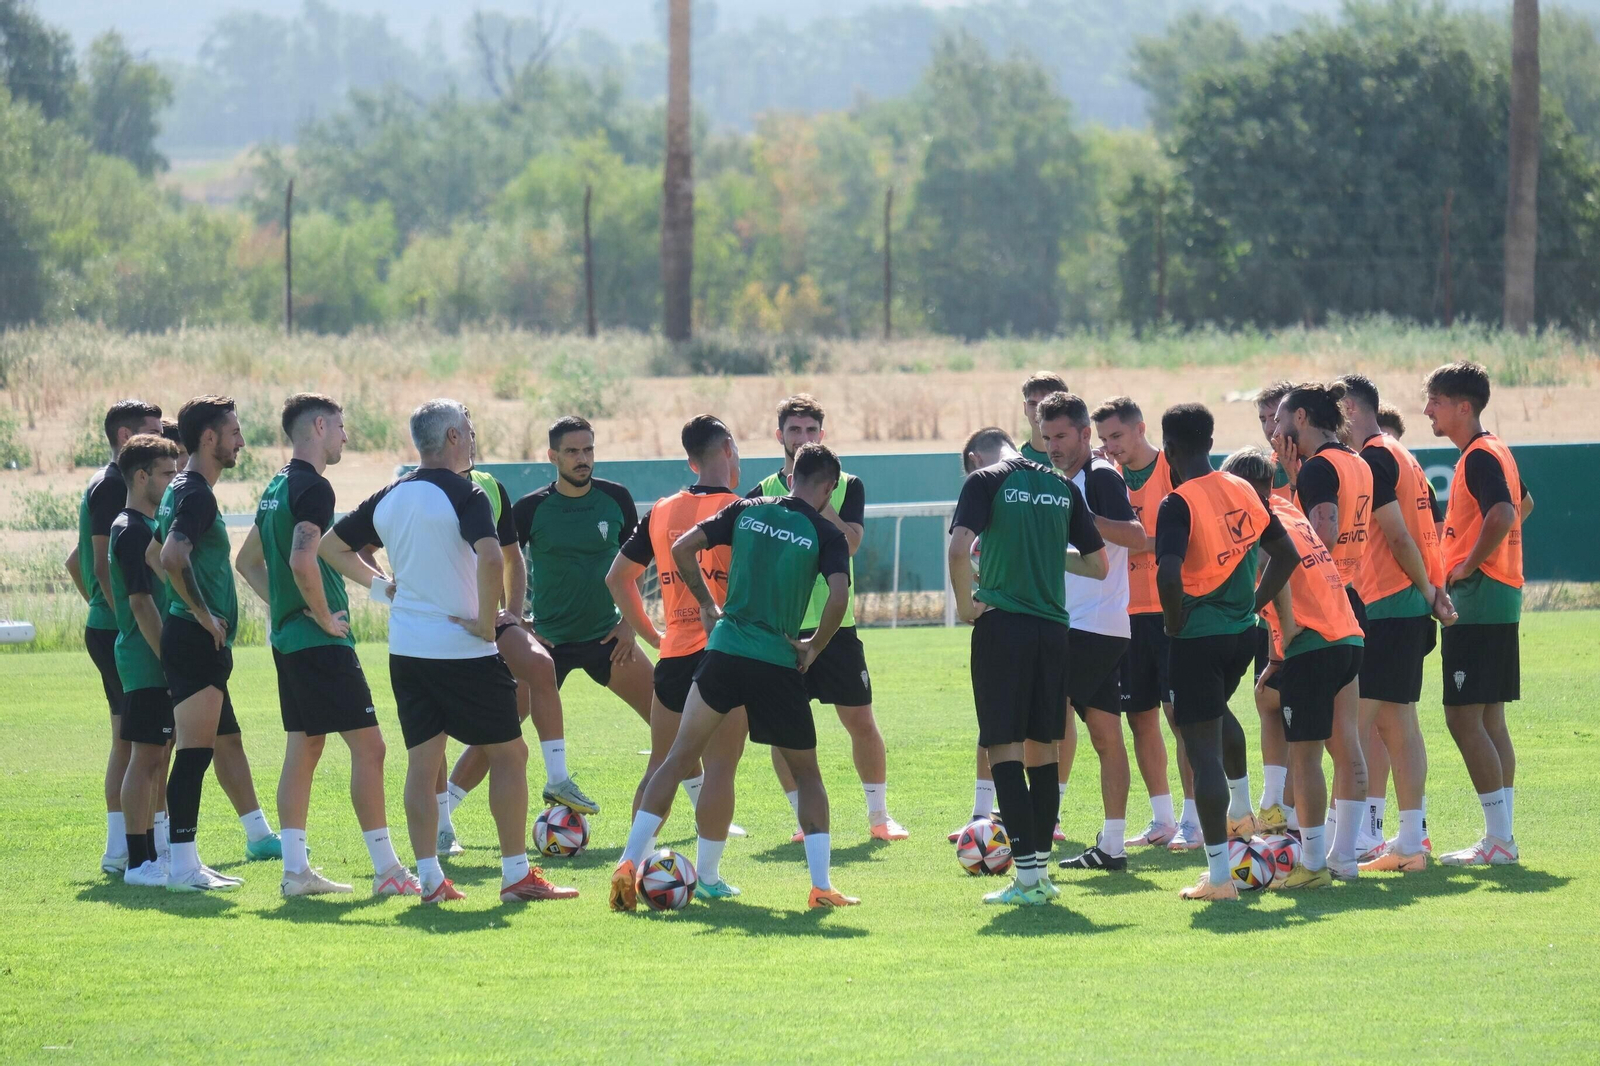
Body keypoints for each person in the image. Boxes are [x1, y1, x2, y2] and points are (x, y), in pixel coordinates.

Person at [321, 399, 577, 904]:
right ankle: (516, 876)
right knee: (511, 754)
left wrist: (381, 589)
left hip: (407, 652)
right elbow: (488, 557)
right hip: (462, 652)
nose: (474, 436)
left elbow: (331, 546)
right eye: (470, 429)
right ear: (454, 438)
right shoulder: (467, 491)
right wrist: (487, 623)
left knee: (423, 763)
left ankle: (432, 882)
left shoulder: (390, 494)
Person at [610, 442, 859, 911]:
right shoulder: (826, 533)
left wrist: (708, 604)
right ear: (828, 487)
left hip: (723, 652)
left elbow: (684, 548)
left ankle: (627, 861)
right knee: (807, 775)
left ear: (791, 477)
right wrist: (814, 647)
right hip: (777, 661)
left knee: (678, 757)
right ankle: (821, 887)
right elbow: (840, 596)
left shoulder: (747, 508)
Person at [234, 394, 416, 897]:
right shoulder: (314, 486)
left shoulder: (275, 486)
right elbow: (301, 560)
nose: (345, 436)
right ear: (318, 426)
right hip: (320, 640)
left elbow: (247, 562)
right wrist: (318, 615)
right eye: (340, 426)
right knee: (371, 747)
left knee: (305, 748)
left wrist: (289, 610)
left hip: (291, 639)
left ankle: (296, 873)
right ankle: (387, 871)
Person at [947, 427, 1108, 905]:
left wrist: (963, 605)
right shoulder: (1060, 485)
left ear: (978, 458)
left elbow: (958, 550)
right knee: (1044, 750)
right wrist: (1040, 554)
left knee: (1003, 749)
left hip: (1003, 628)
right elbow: (1099, 565)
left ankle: (1027, 879)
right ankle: (1040, 876)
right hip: (1054, 633)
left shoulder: (985, 482)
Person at [1153, 404, 1299, 901]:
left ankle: (1219, 878)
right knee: (1215, 715)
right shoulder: (1242, 488)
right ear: (1211, 443)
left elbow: (1169, 575)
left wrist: (1173, 624)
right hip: (1241, 635)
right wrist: (1252, 604)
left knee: (1201, 752)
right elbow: (1286, 555)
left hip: (1198, 638)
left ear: (1169, 450)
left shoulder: (1178, 502)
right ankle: (1240, 812)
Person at [749, 395, 906, 841]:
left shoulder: (847, 485)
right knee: (783, 730)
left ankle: (879, 817)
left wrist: (817, 495)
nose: (802, 439)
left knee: (860, 721)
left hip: (837, 627)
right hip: (781, 629)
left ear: (823, 434)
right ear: (779, 435)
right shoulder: (760, 493)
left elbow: (852, 543)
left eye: (810, 431)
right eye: (794, 431)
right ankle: (803, 819)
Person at [606, 415, 750, 898]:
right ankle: (707, 879)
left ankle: (633, 862)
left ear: (690, 459)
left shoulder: (662, 510)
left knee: (660, 768)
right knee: (720, 771)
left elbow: (617, 578)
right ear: (728, 448)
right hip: (724, 654)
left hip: (673, 657)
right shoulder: (741, 509)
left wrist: (653, 635)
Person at [440, 450, 595, 859]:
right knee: (445, 736)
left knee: (539, 670)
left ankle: (558, 779)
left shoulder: (490, 486)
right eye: (463, 430)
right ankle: (441, 825)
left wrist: (515, 612)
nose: (469, 439)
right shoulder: (422, 487)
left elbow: (510, 556)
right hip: (442, 625)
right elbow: (352, 544)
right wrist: (384, 587)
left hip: (492, 619)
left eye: (472, 429)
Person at [1227, 448, 1366, 885]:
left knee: (1306, 757)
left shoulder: (1255, 520)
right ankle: (1343, 857)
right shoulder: (1286, 507)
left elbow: (1280, 581)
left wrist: (1282, 649)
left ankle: (1313, 865)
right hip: (1349, 635)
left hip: (1311, 644)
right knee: (1346, 747)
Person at [157, 396, 279, 891]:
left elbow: (157, 551)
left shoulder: (183, 488)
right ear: (208, 438)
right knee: (193, 753)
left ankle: (190, 860)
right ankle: (182, 866)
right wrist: (202, 614)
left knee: (216, 743)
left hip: (191, 636)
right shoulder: (197, 494)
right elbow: (169, 554)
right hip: (193, 638)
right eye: (234, 433)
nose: (241, 442)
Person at [1339, 375, 1455, 870]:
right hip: (1405, 607)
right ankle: (1408, 841)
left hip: (1388, 605)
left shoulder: (1375, 458)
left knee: (1352, 729)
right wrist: (1431, 592)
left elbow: (1402, 537)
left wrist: (1431, 592)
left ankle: (1343, 844)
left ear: (1348, 410)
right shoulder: (1402, 454)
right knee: (1398, 723)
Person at [1424, 361, 1533, 867]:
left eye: (1436, 402)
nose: (1428, 410)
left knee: (1462, 717)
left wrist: (1469, 562)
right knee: (1489, 717)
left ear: (1462, 407)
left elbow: (1506, 512)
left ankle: (1500, 840)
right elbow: (1524, 503)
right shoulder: (1495, 450)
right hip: (1500, 594)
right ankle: (1501, 836)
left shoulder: (1478, 456)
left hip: (1482, 598)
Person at [1036, 394, 1147, 873]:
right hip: (1094, 625)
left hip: (1089, 628)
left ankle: (1032, 833)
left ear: (1084, 434)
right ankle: (1114, 846)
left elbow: (1137, 536)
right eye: (1046, 438)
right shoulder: (1069, 480)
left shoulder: (1098, 476)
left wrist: (1075, 518)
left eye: (1061, 436)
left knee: (1039, 722)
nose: (1053, 447)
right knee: (1105, 737)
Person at [511, 417, 654, 762]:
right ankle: (444, 814)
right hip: (546, 643)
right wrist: (517, 623)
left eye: (588, 449)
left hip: (609, 640)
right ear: (552, 456)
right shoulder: (530, 508)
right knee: (497, 733)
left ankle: (709, 817)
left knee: (671, 720)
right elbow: (503, 565)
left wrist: (629, 624)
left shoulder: (616, 498)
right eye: (572, 451)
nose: (582, 458)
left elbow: (637, 566)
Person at [1269, 382, 1374, 849]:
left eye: (1279, 419)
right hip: (1351, 602)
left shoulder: (1320, 467)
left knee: (1310, 745)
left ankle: (1302, 843)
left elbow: (1322, 533)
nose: (1274, 429)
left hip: (1321, 608)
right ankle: (1342, 852)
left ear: (1302, 419)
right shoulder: (1356, 460)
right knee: (1346, 740)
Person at [65, 400, 162, 875]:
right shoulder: (112, 487)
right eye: (151, 432)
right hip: (122, 632)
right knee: (132, 743)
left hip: (112, 628)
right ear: (125, 436)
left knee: (133, 741)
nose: (162, 438)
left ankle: (131, 848)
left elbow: (73, 560)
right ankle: (123, 850)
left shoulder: (105, 484)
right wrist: (122, 615)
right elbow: (101, 565)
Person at [1092, 396, 1187, 851]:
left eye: (1117, 436)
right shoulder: (1103, 478)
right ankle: (1163, 818)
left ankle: (1195, 818)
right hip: (1124, 614)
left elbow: (1183, 536)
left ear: (1141, 428)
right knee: (1139, 717)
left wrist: (1136, 541)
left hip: (1171, 610)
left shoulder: (1172, 468)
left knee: (1181, 716)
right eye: (1104, 439)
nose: (1111, 446)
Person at [106, 433, 180, 887]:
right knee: (145, 757)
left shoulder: (143, 525)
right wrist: (169, 660)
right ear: (141, 476)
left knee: (157, 756)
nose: (173, 482)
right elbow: (139, 603)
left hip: (149, 659)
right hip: (143, 659)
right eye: (167, 474)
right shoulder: (131, 529)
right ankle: (137, 863)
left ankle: (154, 853)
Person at [1019, 372, 1070, 467]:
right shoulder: (1012, 458)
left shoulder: (1081, 458)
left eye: (1046, 404)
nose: (1038, 411)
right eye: (1033, 404)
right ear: (1025, 408)